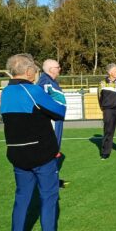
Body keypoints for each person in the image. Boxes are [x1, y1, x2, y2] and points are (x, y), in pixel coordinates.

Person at [0, 54, 72, 231]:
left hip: (17, 154)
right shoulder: (32, 90)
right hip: (41, 154)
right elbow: (59, 111)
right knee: (49, 198)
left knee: (21, 199)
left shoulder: (5, 93)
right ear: (29, 71)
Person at [37, 59, 68, 188]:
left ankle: (52, 179)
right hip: (52, 122)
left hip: (56, 121)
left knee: (54, 149)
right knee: (51, 150)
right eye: (58, 67)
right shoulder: (45, 81)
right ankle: (48, 182)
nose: (60, 69)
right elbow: (38, 99)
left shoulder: (52, 81)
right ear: (51, 69)